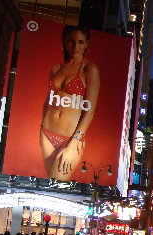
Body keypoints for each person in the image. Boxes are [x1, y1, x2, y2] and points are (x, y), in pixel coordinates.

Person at [40, 25, 100, 180]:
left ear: (87, 44)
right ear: (65, 42)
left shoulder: (90, 70)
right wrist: (42, 126)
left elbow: (90, 111)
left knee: (54, 188)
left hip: (70, 139)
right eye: (71, 41)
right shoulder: (55, 69)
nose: (75, 46)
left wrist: (74, 142)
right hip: (46, 133)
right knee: (48, 184)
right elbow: (49, 101)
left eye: (81, 42)